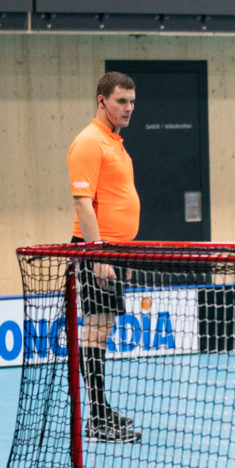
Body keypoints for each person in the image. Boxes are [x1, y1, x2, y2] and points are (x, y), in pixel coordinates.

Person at [68, 72, 143, 444]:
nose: (128, 108)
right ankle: (97, 418)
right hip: (97, 251)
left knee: (104, 329)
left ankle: (101, 409)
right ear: (102, 101)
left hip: (114, 251)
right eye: (120, 101)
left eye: (131, 101)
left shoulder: (115, 143)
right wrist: (98, 254)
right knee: (96, 330)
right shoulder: (89, 142)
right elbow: (83, 202)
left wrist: (122, 251)